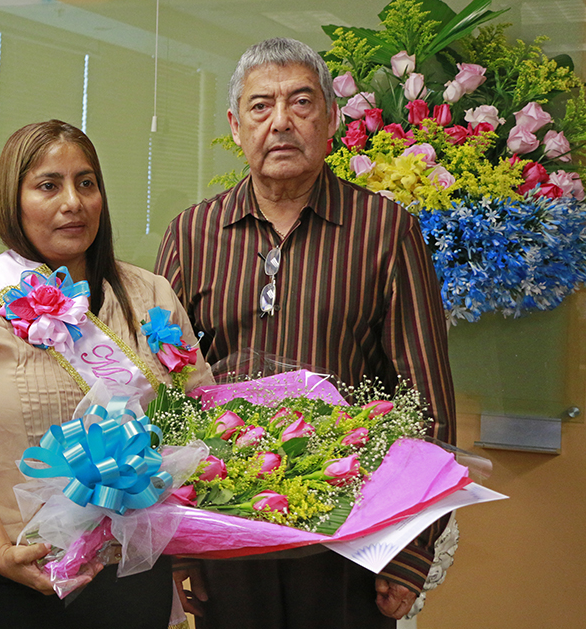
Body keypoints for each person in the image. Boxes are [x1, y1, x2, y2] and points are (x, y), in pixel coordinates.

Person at [156, 37, 456, 628]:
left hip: (351, 534)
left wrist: (411, 550)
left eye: (300, 102)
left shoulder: (385, 230)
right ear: (236, 126)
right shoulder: (192, 235)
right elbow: (162, 394)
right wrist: (176, 545)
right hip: (225, 532)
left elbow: (426, 400)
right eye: (260, 106)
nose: (281, 122)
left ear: (332, 119)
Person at [0, 119, 212, 629]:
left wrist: (190, 550)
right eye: (48, 185)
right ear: (13, 201)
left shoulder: (150, 294)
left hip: (131, 575)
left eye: (86, 183)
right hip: (3, 577)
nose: (73, 202)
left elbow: (198, 419)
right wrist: (0, 554)